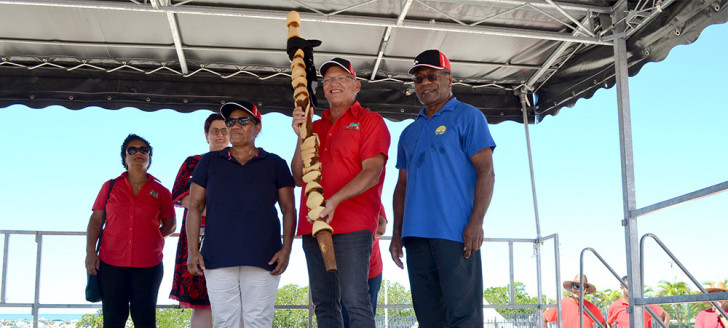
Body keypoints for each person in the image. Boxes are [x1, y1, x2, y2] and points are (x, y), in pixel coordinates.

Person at [389, 49, 496, 327]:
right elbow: (401, 187)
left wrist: (477, 222)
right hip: (414, 236)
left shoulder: (468, 116)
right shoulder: (409, 132)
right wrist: (397, 233)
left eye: (431, 76)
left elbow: (486, 171)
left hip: (456, 233)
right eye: (419, 79)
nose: (424, 83)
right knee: (428, 317)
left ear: (449, 79)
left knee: (463, 315)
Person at [291, 57, 390, 328]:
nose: (334, 84)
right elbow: (298, 177)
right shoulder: (316, 125)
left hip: (353, 225)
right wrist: (300, 135)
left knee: (355, 301)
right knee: (323, 304)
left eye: (341, 78)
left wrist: (335, 200)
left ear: (356, 85)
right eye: (328, 80)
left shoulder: (371, 120)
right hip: (313, 225)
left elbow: (372, 172)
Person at [185, 101, 296, 328]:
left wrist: (286, 249)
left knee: (259, 322)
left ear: (257, 127)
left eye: (243, 120)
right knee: (225, 322)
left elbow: (289, 209)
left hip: (265, 256)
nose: (235, 126)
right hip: (217, 257)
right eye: (231, 121)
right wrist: (193, 251)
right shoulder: (209, 162)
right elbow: (194, 207)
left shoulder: (275, 163)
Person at [85, 134, 176, 328]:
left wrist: (149, 239)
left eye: (144, 150)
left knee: (144, 319)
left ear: (150, 157)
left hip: (149, 265)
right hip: (111, 263)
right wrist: (90, 252)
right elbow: (95, 220)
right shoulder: (110, 187)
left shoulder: (161, 191)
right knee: (113, 318)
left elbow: (171, 225)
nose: (138, 153)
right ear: (124, 157)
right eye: (132, 150)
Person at [169, 113, 230, 328]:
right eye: (215, 130)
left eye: (224, 130)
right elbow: (185, 198)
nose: (220, 135)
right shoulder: (192, 162)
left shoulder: (241, 164)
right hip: (198, 242)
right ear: (206, 135)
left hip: (234, 240)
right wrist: (222, 210)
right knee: (202, 303)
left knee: (235, 302)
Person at [342, 206, 388, 327]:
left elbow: (381, 228)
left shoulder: (372, 196)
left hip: (371, 270)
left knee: (365, 317)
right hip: (341, 270)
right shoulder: (336, 198)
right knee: (343, 319)